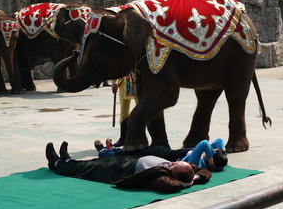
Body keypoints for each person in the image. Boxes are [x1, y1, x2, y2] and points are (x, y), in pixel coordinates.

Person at [46, 141, 212, 193]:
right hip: (130, 160)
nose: (174, 162)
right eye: (176, 162)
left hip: (123, 170)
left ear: (175, 176)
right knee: (91, 164)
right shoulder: (186, 171)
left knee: (91, 168)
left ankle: (57, 163)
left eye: (176, 166)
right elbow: (205, 172)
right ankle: (67, 162)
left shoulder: (163, 178)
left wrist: (185, 184)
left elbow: (168, 186)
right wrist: (194, 178)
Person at [93, 138, 228, 172]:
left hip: (164, 157)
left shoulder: (198, 163)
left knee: (136, 154)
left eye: (212, 152)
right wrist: (216, 155)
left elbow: (204, 143)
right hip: (167, 152)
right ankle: (113, 151)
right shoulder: (210, 158)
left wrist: (209, 157)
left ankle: (105, 153)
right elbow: (219, 141)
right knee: (138, 151)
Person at [111, 71, 138, 147]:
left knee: (140, 110)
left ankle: (138, 138)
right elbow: (116, 66)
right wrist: (114, 82)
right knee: (124, 112)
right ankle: (123, 138)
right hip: (124, 81)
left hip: (138, 81)